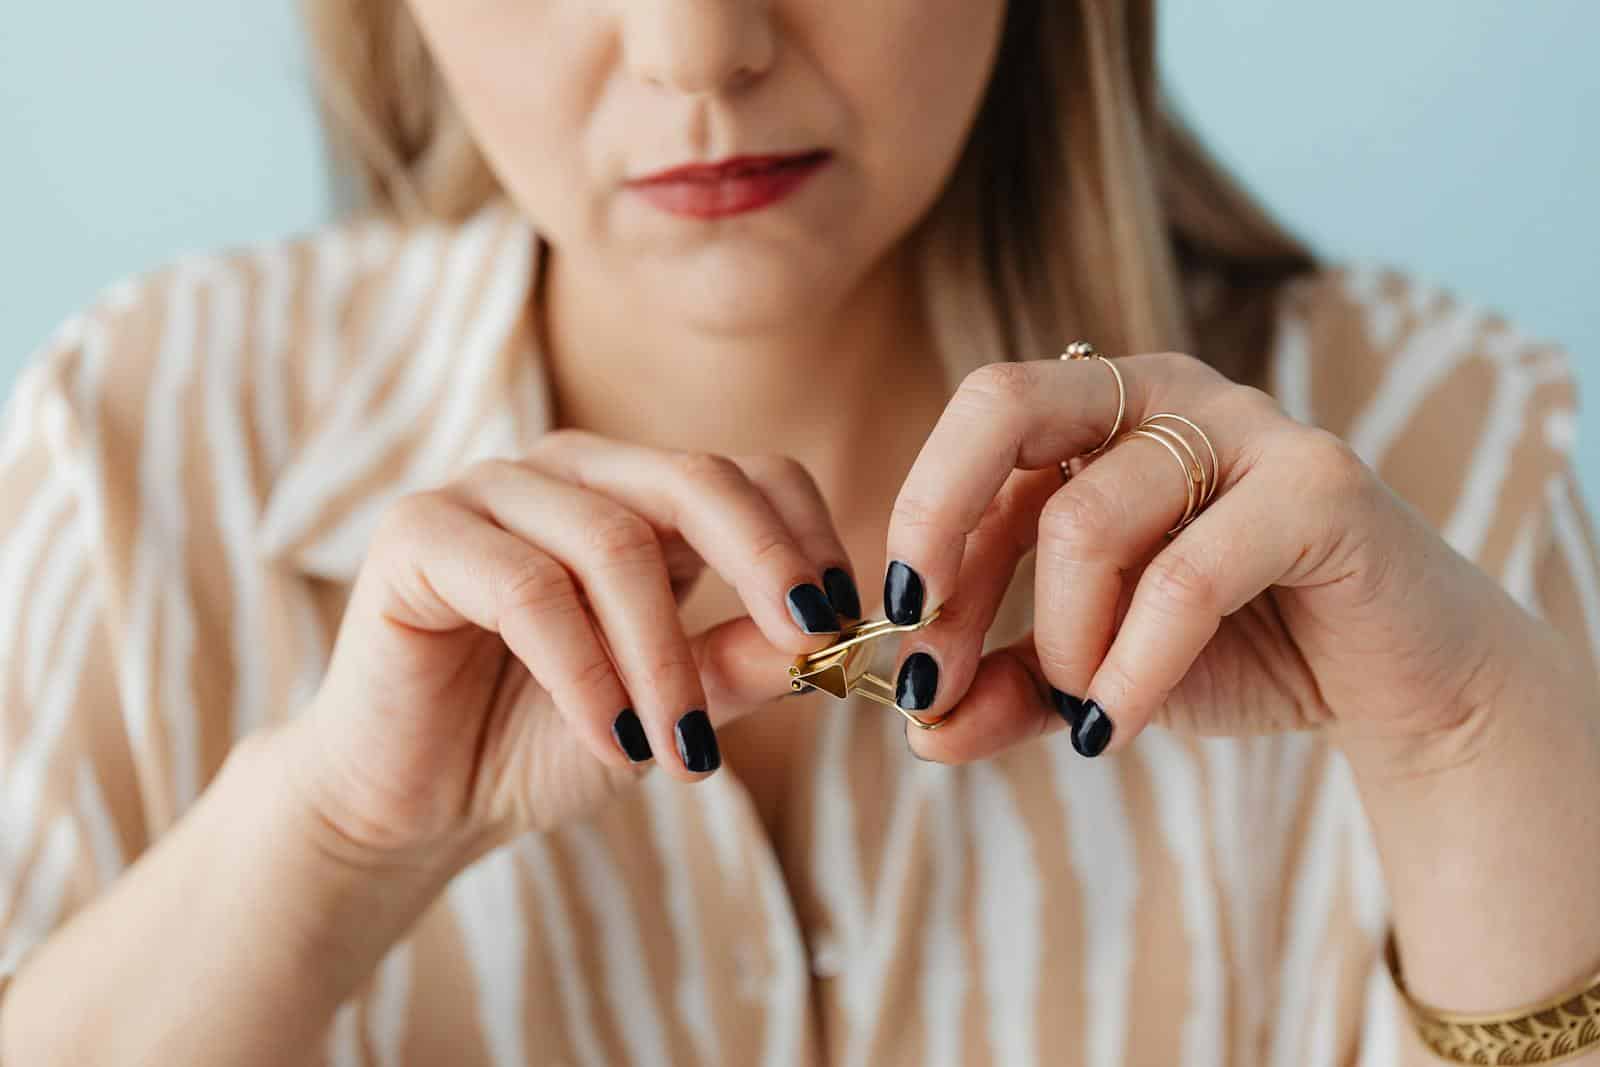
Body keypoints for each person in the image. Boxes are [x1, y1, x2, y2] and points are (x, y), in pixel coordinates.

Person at [2, 0, 1598, 1063]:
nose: (700, 46)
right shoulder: (139, 442)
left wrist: (1468, 748)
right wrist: (330, 847)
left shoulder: (1447, 447)